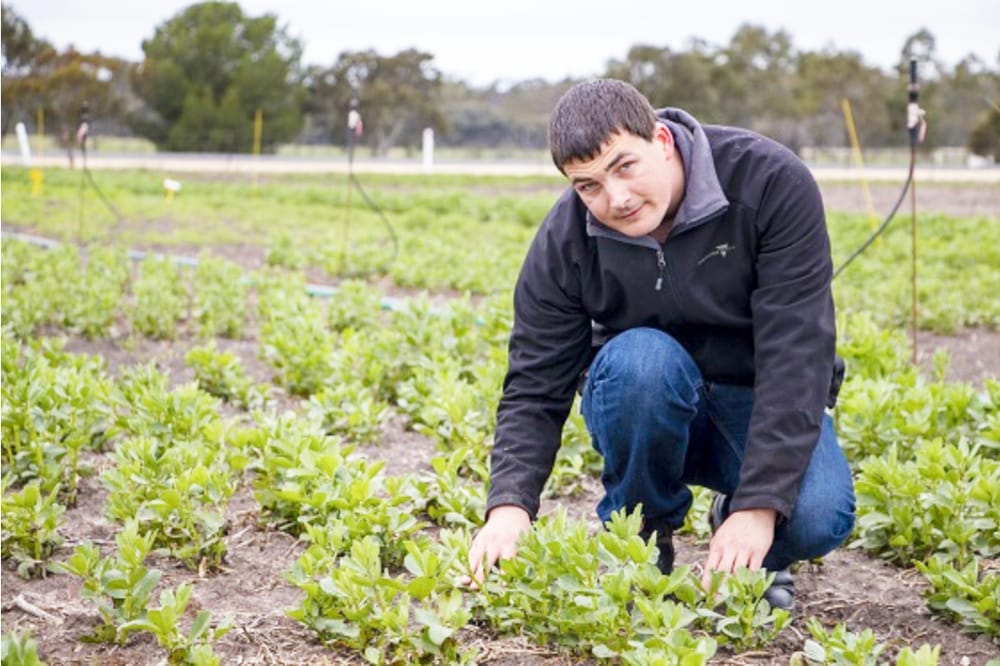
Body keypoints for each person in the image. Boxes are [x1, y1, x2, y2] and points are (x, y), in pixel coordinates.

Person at [465, 78, 856, 610]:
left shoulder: (770, 182)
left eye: (625, 166)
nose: (615, 199)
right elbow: (536, 381)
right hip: (644, 400)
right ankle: (641, 542)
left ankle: (742, 537)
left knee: (817, 516)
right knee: (641, 362)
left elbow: (797, 356)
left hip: (753, 397)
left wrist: (760, 506)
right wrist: (509, 506)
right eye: (588, 185)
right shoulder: (567, 237)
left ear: (663, 140)